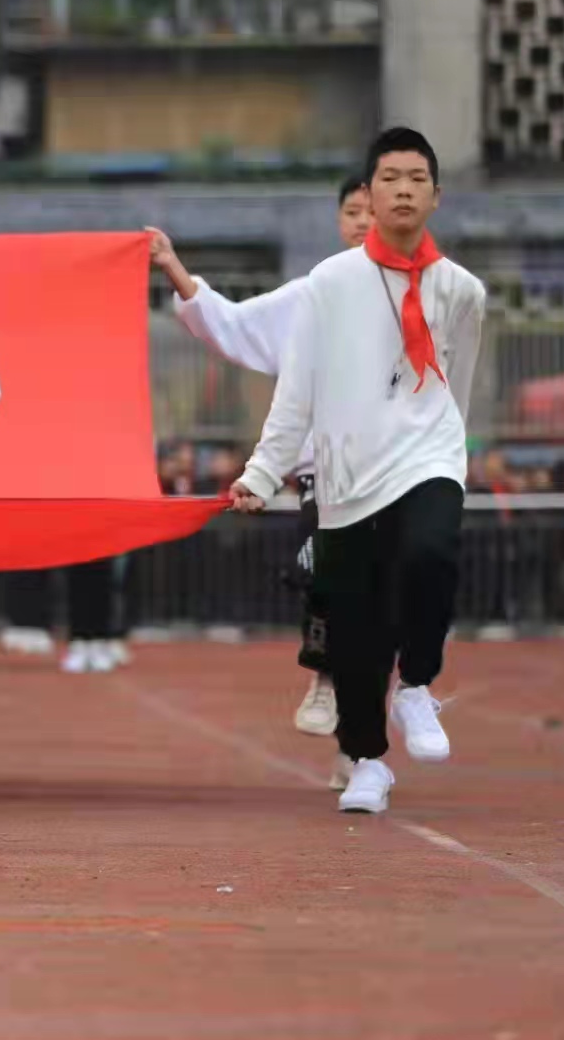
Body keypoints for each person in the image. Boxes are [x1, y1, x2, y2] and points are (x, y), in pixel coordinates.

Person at [231, 127, 485, 816]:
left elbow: (455, 385)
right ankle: (368, 760)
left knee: (432, 552)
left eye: (417, 178)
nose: (403, 189)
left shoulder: (462, 291)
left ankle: (420, 684)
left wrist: (447, 450)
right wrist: (263, 470)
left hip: (427, 457)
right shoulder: (327, 285)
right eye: (390, 178)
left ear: (435, 195)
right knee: (356, 630)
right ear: (369, 196)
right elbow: (298, 388)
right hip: (348, 476)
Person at [150, 175, 374, 777]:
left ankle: (358, 742)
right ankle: (326, 680)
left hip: (397, 474)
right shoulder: (311, 297)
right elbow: (234, 324)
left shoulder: (424, 295)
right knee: (327, 576)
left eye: (374, 212)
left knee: (382, 608)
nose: (362, 222)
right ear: (339, 221)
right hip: (326, 474)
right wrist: (173, 266)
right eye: (353, 211)